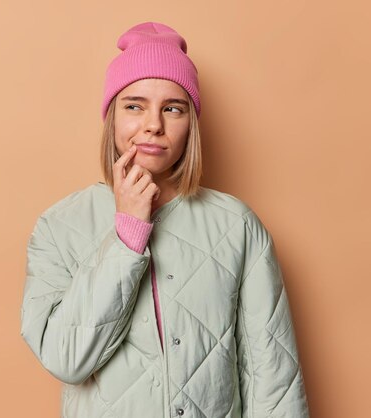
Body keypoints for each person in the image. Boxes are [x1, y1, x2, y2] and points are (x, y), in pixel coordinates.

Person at [20, 21, 310, 418]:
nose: (153, 124)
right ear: (112, 117)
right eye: (134, 105)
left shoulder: (238, 227)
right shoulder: (58, 228)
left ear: (191, 122)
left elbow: (273, 378)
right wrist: (127, 234)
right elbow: (66, 359)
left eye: (172, 108)